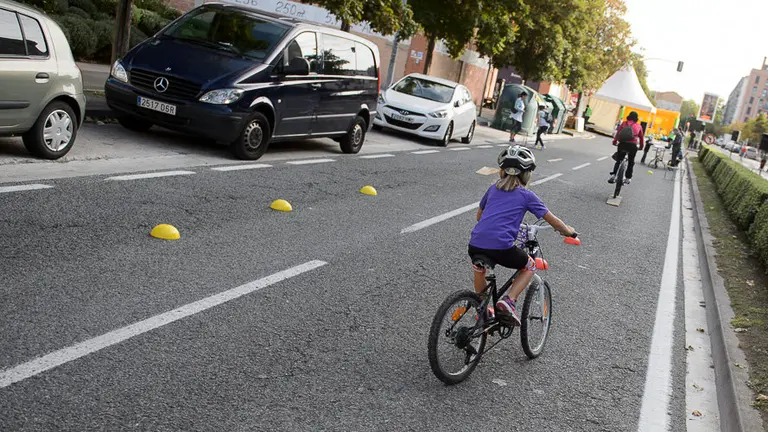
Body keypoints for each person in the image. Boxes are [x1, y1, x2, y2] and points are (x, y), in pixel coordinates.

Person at [469, 146, 576, 324]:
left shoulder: (493, 189)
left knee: (480, 268)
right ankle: (508, 301)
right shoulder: (527, 196)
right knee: (530, 266)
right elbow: (552, 220)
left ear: (502, 171)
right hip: (501, 247)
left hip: (475, 244)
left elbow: (479, 216)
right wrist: (568, 231)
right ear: (527, 174)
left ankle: (482, 308)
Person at [609, 111, 644, 185]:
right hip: (632, 146)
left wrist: (615, 142)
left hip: (622, 144)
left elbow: (618, 133)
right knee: (631, 162)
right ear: (636, 118)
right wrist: (641, 147)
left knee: (619, 160)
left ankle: (614, 175)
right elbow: (641, 138)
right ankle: (628, 178)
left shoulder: (624, 123)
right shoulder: (639, 126)